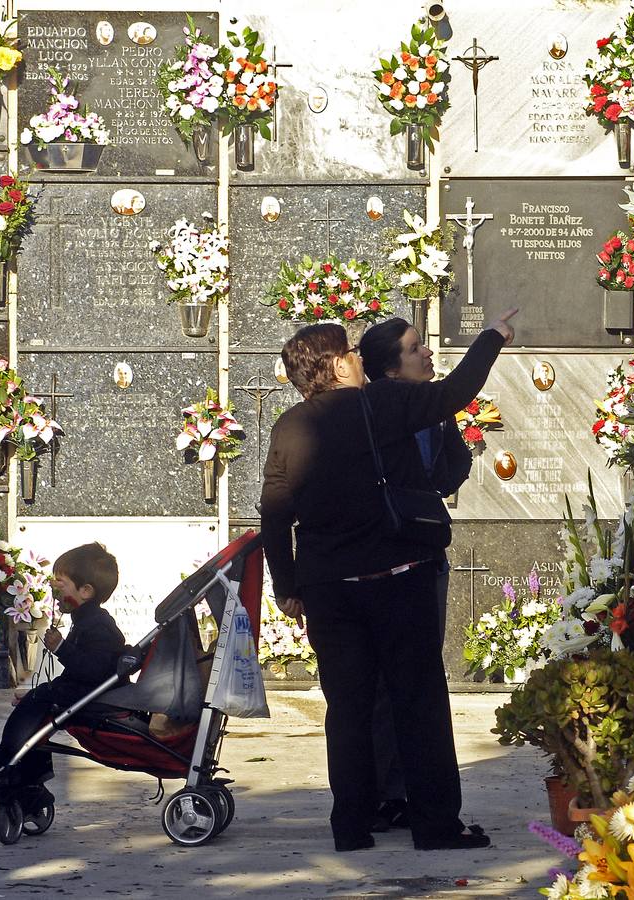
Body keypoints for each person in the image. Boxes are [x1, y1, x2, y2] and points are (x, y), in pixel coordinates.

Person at [260, 308, 517, 852]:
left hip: (329, 588)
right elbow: (456, 391)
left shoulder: (289, 427)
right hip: (400, 577)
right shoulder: (385, 401)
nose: (358, 356)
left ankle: (351, 828)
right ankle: (435, 825)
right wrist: (492, 336)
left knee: (348, 710)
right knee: (417, 703)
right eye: (348, 351)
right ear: (334, 365)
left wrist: (288, 587)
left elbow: (275, 516)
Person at [355, 317, 471, 833]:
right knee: (386, 681)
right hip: (387, 560)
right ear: (389, 367)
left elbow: (452, 467)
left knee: (420, 675)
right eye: (414, 348)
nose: (427, 353)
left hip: (427, 553)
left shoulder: (434, 411)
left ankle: (413, 790)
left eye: (424, 344)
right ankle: (386, 792)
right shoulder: (375, 410)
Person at [0, 543, 125, 788]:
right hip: (86, 691)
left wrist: (62, 649)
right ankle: (30, 779)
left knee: (38, 700)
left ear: (86, 591)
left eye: (61, 582)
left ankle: (1, 760)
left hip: (99, 697)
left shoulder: (99, 624)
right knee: (39, 706)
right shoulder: (85, 619)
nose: (53, 586)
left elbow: (94, 670)